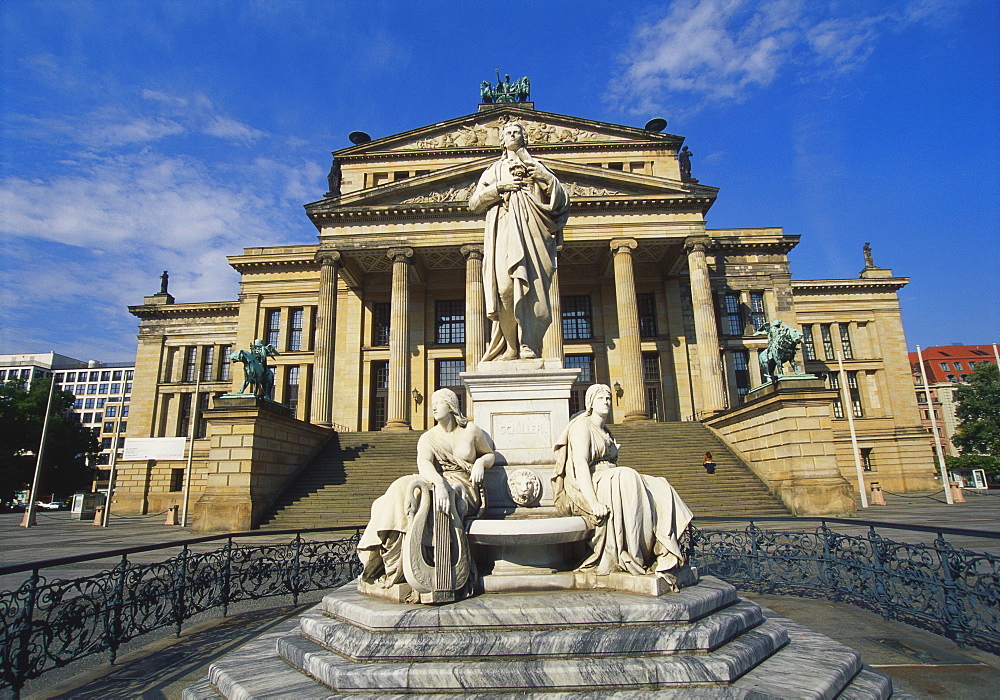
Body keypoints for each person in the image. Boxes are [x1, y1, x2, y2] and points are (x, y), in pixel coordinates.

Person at [357, 389, 496, 590]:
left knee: (441, 495)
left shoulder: (471, 431)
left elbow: (489, 455)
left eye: (438, 403)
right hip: (437, 481)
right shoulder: (428, 437)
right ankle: (391, 556)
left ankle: (437, 566)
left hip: (465, 487)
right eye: (432, 403)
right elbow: (424, 464)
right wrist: (439, 484)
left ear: (451, 406)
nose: (433, 407)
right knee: (402, 488)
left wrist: (480, 463)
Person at [552, 384, 693, 578]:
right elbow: (580, 465)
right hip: (592, 481)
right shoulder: (581, 426)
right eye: (601, 398)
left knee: (660, 484)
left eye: (609, 398)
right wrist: (593, 503)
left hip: (611, 477)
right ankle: (634, 555)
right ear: (590, 403)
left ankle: (663, 549)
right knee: (627, 476)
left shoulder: (606, 431)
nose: (607, 402)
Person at [469, 120, 570, 361]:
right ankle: (511, 346)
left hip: (533, 235)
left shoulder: (536, 166)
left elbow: (561, 202)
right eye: (509, 132)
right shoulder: (493, 171)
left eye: (517, 132)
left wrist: (545, 177)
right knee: (504, 289)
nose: (513, 135)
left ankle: (529, 344)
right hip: (504, 230)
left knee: (533, 291)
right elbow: (473, 203)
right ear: (501, 139)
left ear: (525, 137)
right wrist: (500, 188)